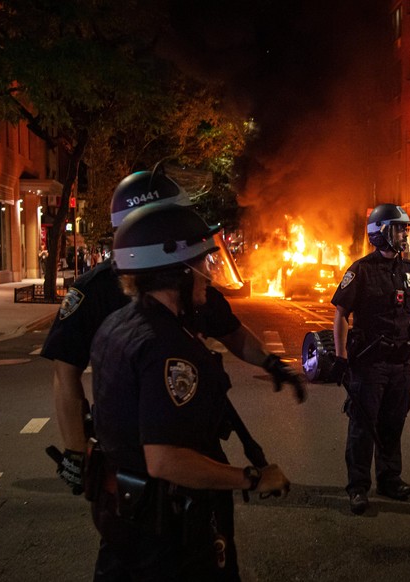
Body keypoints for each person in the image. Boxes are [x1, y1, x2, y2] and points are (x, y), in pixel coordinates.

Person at [42, 166, 305, 496]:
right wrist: (77, 451)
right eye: (172, 217)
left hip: (186, 437)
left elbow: (231, 332)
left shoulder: (184, 285)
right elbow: (65, 374)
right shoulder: (97, 293)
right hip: (150, 452)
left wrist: (271, 363)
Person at [89, 203, 291, 579]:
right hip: (168, 530)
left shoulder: (118, 324)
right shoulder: (166, 345)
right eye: (201, 265)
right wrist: (251, 478)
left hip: (125, 518)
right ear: (177, 272)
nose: (208, 276)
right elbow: (165, 460)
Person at [330, 203, 410, 515]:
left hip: (400, 363)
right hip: (370, 363)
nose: (403, 234)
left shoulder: (408, 270)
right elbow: (341, 314)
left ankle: (389, 479)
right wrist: (341, 358)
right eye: (398, 228)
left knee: (393, 423)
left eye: (404, 229)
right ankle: (358, 487)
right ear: (380, 232)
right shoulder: (360, 270)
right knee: (363, 425)